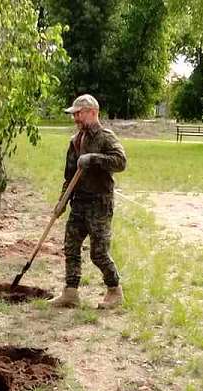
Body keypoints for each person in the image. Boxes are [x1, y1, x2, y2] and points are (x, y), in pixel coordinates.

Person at [50, 94, 128, 310]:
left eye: (79, 113)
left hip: (99, 203)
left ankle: (114, 290)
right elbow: (69, 176)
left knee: (98, 253)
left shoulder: (105, 137)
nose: (75, 118)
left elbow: (121, 162)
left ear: (93, 112)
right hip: (79, 203)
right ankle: (70, 293)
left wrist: (94, 159)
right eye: (74, 114)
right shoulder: (75, 141)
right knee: (71, 247)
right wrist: (62, 202)